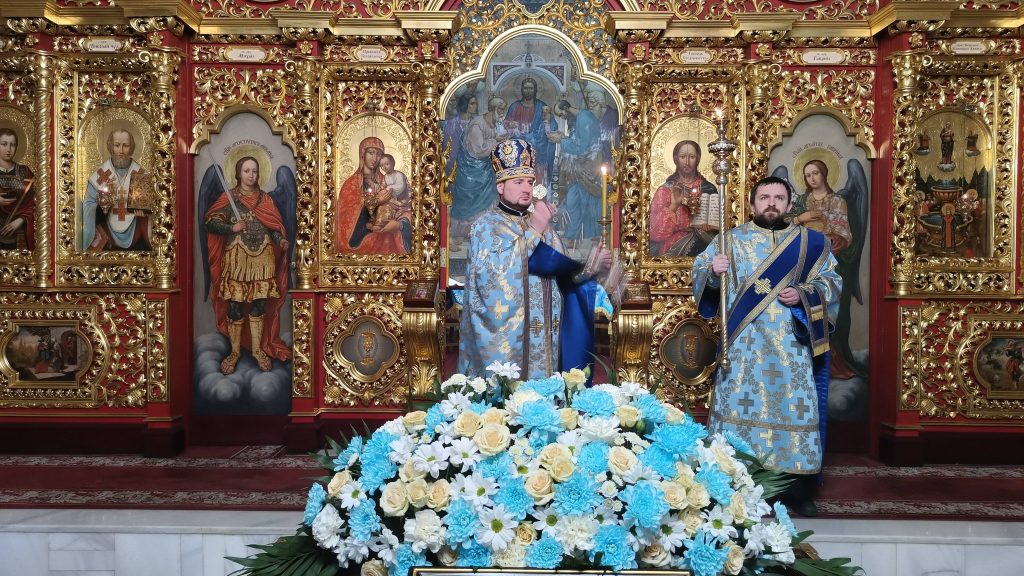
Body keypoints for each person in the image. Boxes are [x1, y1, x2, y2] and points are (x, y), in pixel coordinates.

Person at [692, 176, 842, 517]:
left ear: (789, 204)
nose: (771, 203)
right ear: (752, 204)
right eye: (764, 197)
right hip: (744, 348)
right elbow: (701, 275)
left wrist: (803, 294)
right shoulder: (730, 240)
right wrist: (712, 271)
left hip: (791, 350)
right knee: (741, 416)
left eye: (778, 197)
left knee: (793, 412)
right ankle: (733, 485)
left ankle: (797, 491)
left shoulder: (810, 243)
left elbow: (831, 283)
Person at [458, 138, 611, 379]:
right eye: (518, 182)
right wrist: (534, 229)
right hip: (511, 349)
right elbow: (492, 281)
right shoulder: (485, 228)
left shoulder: (546, 230)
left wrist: (590, 268)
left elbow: (562, 277)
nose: (527, 188)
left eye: (530, 182)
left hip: (547, 342)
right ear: (500, 186)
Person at [205, 156, 291, 373]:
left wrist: (279, 239)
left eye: (254, 171)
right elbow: (211, 222)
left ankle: (257, 350)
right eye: (246, 171)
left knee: (259, 304)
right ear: (238, 173)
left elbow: (272, 225)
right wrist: (231, 228)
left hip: (263, 257)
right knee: (235, 305)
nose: (251, 175)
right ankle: (234, 352)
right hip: (237, 256)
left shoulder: (265, 199)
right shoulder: (230, 198)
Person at [787, 160, 857, 379]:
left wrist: (833, 239)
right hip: (802, 264)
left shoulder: (837, 201)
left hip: (829, 263)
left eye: (815, 173)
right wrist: (800, 218)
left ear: (824, 173)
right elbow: (782, 227)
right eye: (808, 175)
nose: (812, 178)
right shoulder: (801, 201)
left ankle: (832, 364)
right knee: (803, 310)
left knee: (828, 310)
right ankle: (801, 364)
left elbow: (844, 233)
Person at [82, 128, 155, 251]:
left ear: (131, 147)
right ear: (111, 147)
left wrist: (145, 213)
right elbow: (87, 206)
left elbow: (154, 206)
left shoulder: (141, 174)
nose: (121, 151)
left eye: (125, 146)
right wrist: (101, 206)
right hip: (106, 237)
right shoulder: (100, 175)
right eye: (117, 145)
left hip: (137, 235)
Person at [336, 136, 410, 255]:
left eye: (379, 154)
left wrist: (398, 224)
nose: (375, 158)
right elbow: (344, 217)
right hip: (359, 239)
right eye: (371, 153)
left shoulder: (387, 181)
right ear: (362, 154)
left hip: (385, 242)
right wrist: (376, 202)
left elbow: (405, 206)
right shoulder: (351, 184)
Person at [650, 140, 719, 257]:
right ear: (675, 159)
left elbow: (719, 226)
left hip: (705, 244)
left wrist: (710, 227)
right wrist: (673, 206)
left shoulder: (709, 188)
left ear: (698, 159)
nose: (687, 162)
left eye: (692, 157)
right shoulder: (665, 190)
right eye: (682, 157)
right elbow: (655, 234)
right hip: (675, 247)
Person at [547, 99, 603, 242]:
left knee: (586, 203)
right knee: (572, 202)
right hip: (577, 169)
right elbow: (579, 141)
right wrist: (564, 138)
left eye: (562, 114)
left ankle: (590, 236)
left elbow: (582, 147)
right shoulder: (579, 119)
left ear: (566, 108)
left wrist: (561, 140)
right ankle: (571, 235)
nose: (563, 117)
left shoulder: (584, 118)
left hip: (588, 168)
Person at [451, 95, 506, 231]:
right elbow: (478, 151)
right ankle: (470, 228)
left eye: (503, 110)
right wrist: (496, 142)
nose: (502, 113)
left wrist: (497, 138)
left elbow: (489, 138)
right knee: (474, 199)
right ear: (493, 109)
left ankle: (487, 227)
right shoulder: (477, 124)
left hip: (485, 167)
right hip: (472, 168)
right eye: (500, 110)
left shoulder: (492, 122)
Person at [504, 77, 556, 188]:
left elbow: (553, 126)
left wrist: (546, 123)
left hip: (538, 151)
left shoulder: (542, 107)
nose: (528, 91)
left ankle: (537, 198)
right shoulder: (514, 106)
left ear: (535, 90)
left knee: (537, 182)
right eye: (525, 88)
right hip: (519, 151)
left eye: (531, 88)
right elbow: (505, 126)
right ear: (521, 90)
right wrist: (510, 125)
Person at [0, 128, 35, 250]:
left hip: (19, 232)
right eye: (4, 144)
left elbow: (35, 202)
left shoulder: (25, 172)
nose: (9, 149)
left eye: (13, 145)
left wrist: (20, 220)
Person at [363, 153, 412, 233]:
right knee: (381, 206)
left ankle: (382, 224)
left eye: (387, 164)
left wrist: (388, 189)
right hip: (390, 198)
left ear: (393, 163)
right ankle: (378, 224)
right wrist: (380, 191)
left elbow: (401, 186)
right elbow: (383, 186)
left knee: (387, 207)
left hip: (401, 201)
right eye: (381, 166)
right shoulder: (385, 176)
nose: (384, 167)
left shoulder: (399, 175)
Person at [443, 92, 478, 176]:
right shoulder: (452, 123)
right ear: (465, 105)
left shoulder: (477, 122)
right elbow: (447, 145)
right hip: (456, 161)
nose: (475, 106)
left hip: (474, 161)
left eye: (476, 103)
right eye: (472, 103)